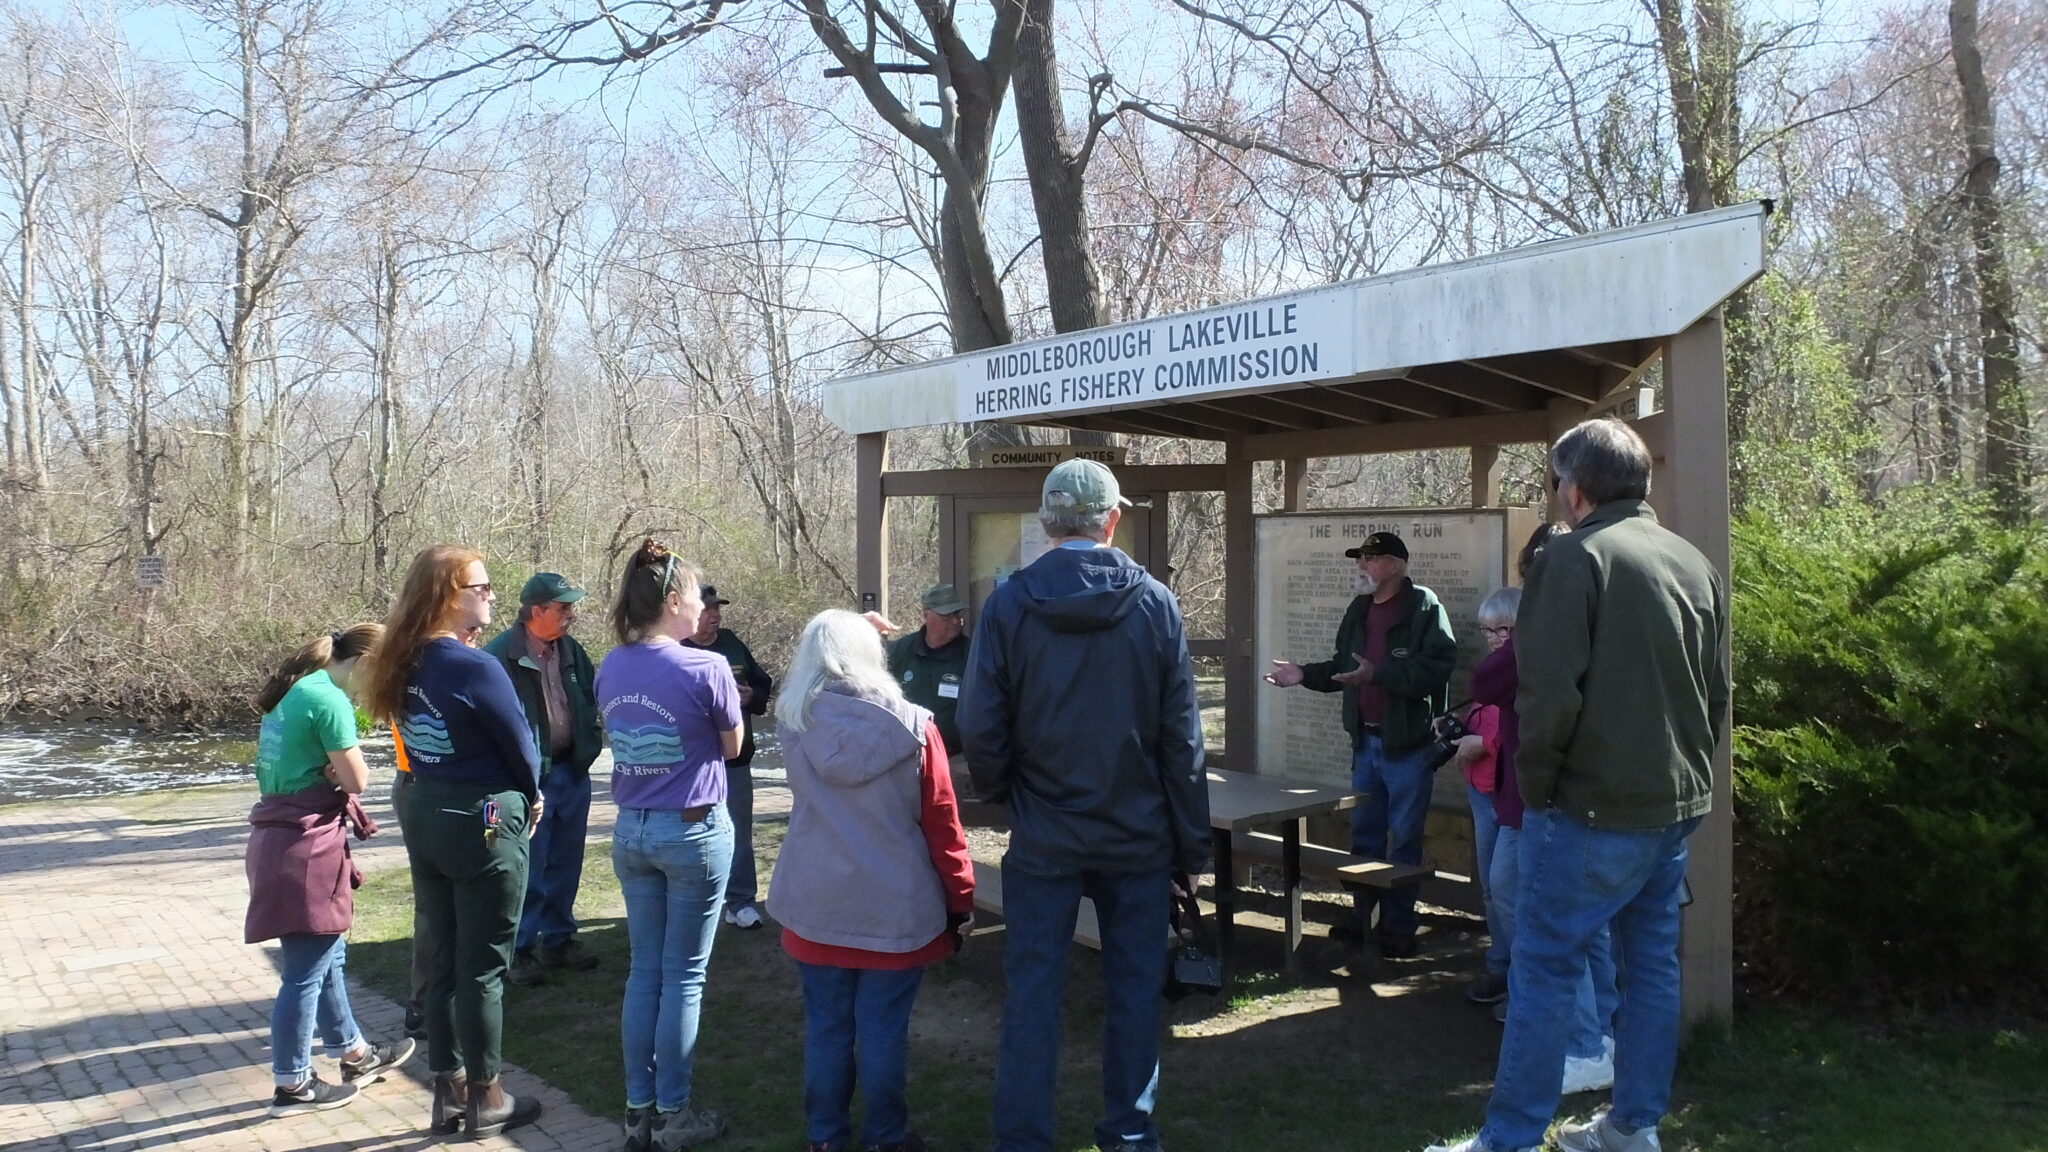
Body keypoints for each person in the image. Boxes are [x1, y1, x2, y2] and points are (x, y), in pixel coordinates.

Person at [1426, 419, 1728, 1152]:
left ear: (1576, 489)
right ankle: (1632, 1126)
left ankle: (1510, 1139)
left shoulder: (1575, 558)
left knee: (1543, 969)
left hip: (1588, 807)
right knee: (1650, 968)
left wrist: (1538, 788)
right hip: (1672, 806)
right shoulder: (1692, 561)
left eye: (1558, 480)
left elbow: (1548, 695)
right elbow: (1716, 695)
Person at [958, 457, 1209, 1152]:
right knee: (1133, 993)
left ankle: (1023, 1139)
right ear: (1113, 519)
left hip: (1046, 834)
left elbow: (983, 727)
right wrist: (1191, 849)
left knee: (1033, 994)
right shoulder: (1155, 603)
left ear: (1046, 521)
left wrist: (1009, 793)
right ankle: (1128, 1133)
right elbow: (1181, 739)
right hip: (1137, 835)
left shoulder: (1009, 604)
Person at [770, 610, 975, 1152]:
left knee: (827, 1028)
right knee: (883, 1030)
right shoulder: (917, 727)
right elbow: (942, 823)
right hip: (894, 903)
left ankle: (826, 1137)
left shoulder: (794, 723)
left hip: (816, 900)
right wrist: (960, 898)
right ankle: (885, 1136)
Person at [362, 545, 544, 1139]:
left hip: (426, 809)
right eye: (482, 587)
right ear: (448, 595)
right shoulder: (474, 667)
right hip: (482, 816)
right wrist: (532, 796)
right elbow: (522, 750)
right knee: (483, 964)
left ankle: (447, 1086)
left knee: (442, 955)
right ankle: (487, 1093)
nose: (492, 595)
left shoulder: (400, 659)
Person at [597, 540, 743, 1152]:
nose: (704, 604)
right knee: (682, 978)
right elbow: (733, 746)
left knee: (644, 974)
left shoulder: (611, 664)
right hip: (691, 832)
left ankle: (639, 1111)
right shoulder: (705, 667)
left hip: (632, 829)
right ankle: (673, 1113)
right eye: (699, 593)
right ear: (675, 600)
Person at [245, 623, 414, 1117]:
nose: (377, 688)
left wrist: (329, 769)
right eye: (381, 674)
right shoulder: (329, 700)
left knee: (327, 954)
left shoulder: (294, 690)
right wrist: (338, 770)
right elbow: (358, 779)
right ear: (364, 663)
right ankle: (293, 1083)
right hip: (304, 849)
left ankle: (353, 1054)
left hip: (279, 840)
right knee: (304, 972)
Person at [1264, 530, 1457, 957]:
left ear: (1395, 564)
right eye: (1360, 559)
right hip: (1365, 744)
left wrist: (1380, 675)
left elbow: (1437, 668)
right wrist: (1303, 675)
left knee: (1405, 838)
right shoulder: (1359, 608)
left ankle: (1400, 927)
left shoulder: (1423, 606)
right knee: (1364, 835)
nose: (1361, 566)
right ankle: (1364, 918)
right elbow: (1343, 667)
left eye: (1370, 558)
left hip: (1408, 746)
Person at [488, 573, 606, 987]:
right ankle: (521, 949)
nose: (571, 614)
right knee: (529, 867)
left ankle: (560, 939)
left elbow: (591, 700)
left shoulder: (572, 650)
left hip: (572, 770)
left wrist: (589, 746)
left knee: (566, 862)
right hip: (529, 780)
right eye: (563, 607)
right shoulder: (499, 656)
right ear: (536, 611)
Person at [683, 583, 774, 930]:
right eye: (707, 609)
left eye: (717, 609)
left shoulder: (733, 644)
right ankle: (698, 902)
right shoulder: (678, 650)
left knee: (739, 831)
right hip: (693, 765)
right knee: (692, 833)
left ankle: (741, 902)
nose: (715, 615)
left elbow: (763, 683)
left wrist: (752, 696)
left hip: (735, 761)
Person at [885, 583, 970, 755]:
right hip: (904, 753)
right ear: (925, 614)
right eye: (946, 615)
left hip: (953, 756)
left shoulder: (972, 654)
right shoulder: (901, 650)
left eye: (957, 613)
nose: (954, 621)